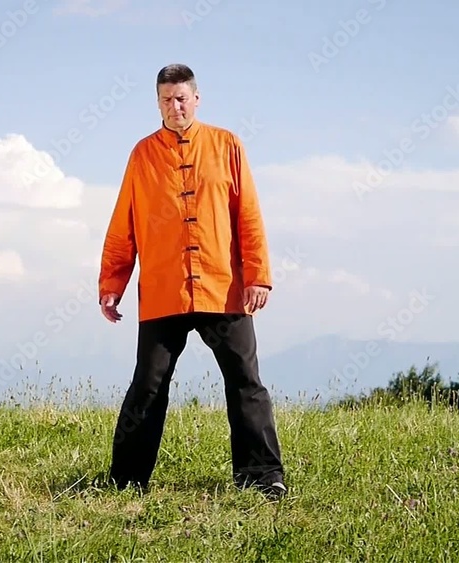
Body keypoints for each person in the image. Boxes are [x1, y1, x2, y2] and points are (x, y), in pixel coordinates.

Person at [98, 63, 287, 500]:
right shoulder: (142, 154)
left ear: (196, 99)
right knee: (148, 384)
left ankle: (263, 477)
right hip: (163, 290)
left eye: (181, 98)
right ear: (157, 102)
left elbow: (248, 214)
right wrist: (112, 283)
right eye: (166, 100)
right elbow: (124, 222)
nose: (175, 107)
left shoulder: (227, 145)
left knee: (245, 380)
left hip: (223, 287)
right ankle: (126, 482)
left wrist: (258, 276)